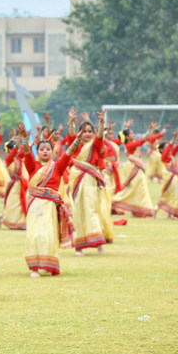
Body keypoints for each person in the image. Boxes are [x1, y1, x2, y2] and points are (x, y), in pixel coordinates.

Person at [22, 127, 86, 276]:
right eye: (42, 149)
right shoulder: (33, 166)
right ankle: (34, 268)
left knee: (48, 235)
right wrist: (25, 139)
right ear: (37, 152)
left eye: (48, 149)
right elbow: (26, 152)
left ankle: (50, 264)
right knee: (34, 234)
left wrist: (78, 139)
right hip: (34, 206)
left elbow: (69, 152)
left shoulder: (58, 166)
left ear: (53, 151)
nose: (45, 151)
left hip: (49, 207)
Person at [65, 109, 108, 255]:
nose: (87, 134)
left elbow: (100, 136)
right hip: (76, 179)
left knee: (91, 210)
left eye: (90, 131)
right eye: (84, 131)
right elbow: (71, 137)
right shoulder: (76, 144)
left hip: (90, 180)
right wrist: (71, 122)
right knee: (77, 212)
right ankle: (80, 246)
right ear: (80, 133)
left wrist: (102, 124)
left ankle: (98, 243)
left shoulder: (95, 145)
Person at [111, 122, 164, 218]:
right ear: (127, 137)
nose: (133, 135)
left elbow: (142, 140)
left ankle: (135, 211)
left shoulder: (131, 143)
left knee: (137, 190)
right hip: (134, 168)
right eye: (131, 134)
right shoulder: (130, 144)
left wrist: (149, 131)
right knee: (139, 189)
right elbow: (142, 140)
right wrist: (150, 130)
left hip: (136, 167)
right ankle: (114, 201)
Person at [156, 129, 178, 219]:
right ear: (162, 150)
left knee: (172, 195)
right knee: (173, 195)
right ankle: (169, 215)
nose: (169, 148)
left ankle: (156, 210)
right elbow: (171, 147)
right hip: (170, 178)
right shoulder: (164, 157)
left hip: (175, 177)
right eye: (166, 147)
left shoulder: (171, 156)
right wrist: (174, 137)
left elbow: (177, 147)